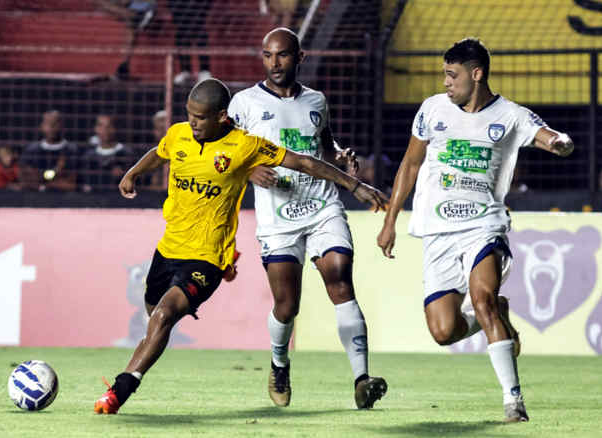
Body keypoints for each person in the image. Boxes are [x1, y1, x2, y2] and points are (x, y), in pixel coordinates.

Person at [93, 78, 387, 415]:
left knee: (163, 315)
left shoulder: (245, 145)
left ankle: (119, 391)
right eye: (189, 114)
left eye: (200, 117)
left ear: (221, 116)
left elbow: (305, 161)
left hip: (207, 258)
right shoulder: (179, 134)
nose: (193, 122)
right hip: (168, 250)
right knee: (154, 320)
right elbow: (160, 152)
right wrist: (134, 172)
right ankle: (126, 381)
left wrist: (354, 184)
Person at [376, 38, 574, 423]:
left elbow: (549, 136)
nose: (446, 82)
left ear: (476, 74)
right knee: (444, 330)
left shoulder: (511, 115)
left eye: (452, 75)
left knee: (481, 298)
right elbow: (411, 164)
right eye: (444, 75)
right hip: (438, 230)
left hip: (483, 225)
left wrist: (561, 143)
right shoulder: (432, 109)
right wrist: (390, 220)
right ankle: (500, 314)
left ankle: (513, 401)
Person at [227, 28, 388, 409]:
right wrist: (247, 172)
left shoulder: (316, 100)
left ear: (299, 58)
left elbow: (322, 145)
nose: (274, 63)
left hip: (321, 207)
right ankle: (279, 363)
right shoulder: (244, 103)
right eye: (268, 55)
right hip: (277, 217)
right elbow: (222, 153)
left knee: (339, 276)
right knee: (287, 305)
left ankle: (361, 378)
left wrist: (339, 157)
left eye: (282, 55)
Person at [19, 110, 79, 191]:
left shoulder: (72, 151)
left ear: (62, 125)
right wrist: (57, 171)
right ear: (41, 126)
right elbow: (28, 180)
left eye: (55, 123)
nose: (51, 126)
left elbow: (71, 184)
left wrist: (44, 183)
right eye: (48, 123)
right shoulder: (31, 150)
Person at [80, 114, 134, 192]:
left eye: (109, 126)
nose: (105, 130)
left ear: (115, 128)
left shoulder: (126, 154)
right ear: (95, 129)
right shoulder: (88, 156)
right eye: (100, 126)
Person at [167, 0, 212, 85]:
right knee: (181, 38)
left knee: (201, 38)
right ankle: (185, 71)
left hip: (198, 10)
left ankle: (204, 71)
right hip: (180, 11)